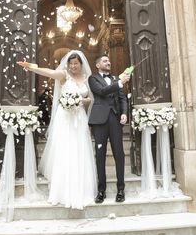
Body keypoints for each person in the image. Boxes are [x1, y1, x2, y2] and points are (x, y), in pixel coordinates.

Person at [17, 51, 97, 209]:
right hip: (65, 118)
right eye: (71, 63)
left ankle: (81, 190)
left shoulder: (87, 79)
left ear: (81, 64)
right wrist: (32, 67)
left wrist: (80, 100)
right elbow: (49, 72)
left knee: (79, 151)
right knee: (65, 151)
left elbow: (90, 99)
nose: (73, 66)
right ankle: (61, 192)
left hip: (79, 118)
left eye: (76, 63)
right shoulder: (63, 75)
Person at [88, 55, 129, 204]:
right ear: (98, 65)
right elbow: (102, 91)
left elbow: (122, 98)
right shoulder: (92, 79)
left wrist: (124, 113)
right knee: (100, 155)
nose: (109, 62)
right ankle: (101, 190)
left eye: (109, 61)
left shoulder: (115, 79)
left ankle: (121, 189)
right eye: (105, 61)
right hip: (99, 121)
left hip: (115, 119)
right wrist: (119, 83)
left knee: (119, 154)